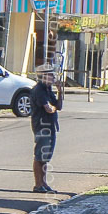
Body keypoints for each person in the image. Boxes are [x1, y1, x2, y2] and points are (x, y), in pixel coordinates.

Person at [30, 64, 62, 193]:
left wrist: (60, 91)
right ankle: (38, 184)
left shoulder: (48, 89)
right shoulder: (39, 90)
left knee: (46, 157)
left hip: (50, 126)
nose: (53, 77)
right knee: (40, 156)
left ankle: (44, 183)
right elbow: (48, 109)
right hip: (42, 125)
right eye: (51, 75)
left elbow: (58, 106)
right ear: (43, 76)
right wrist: (53, 108)